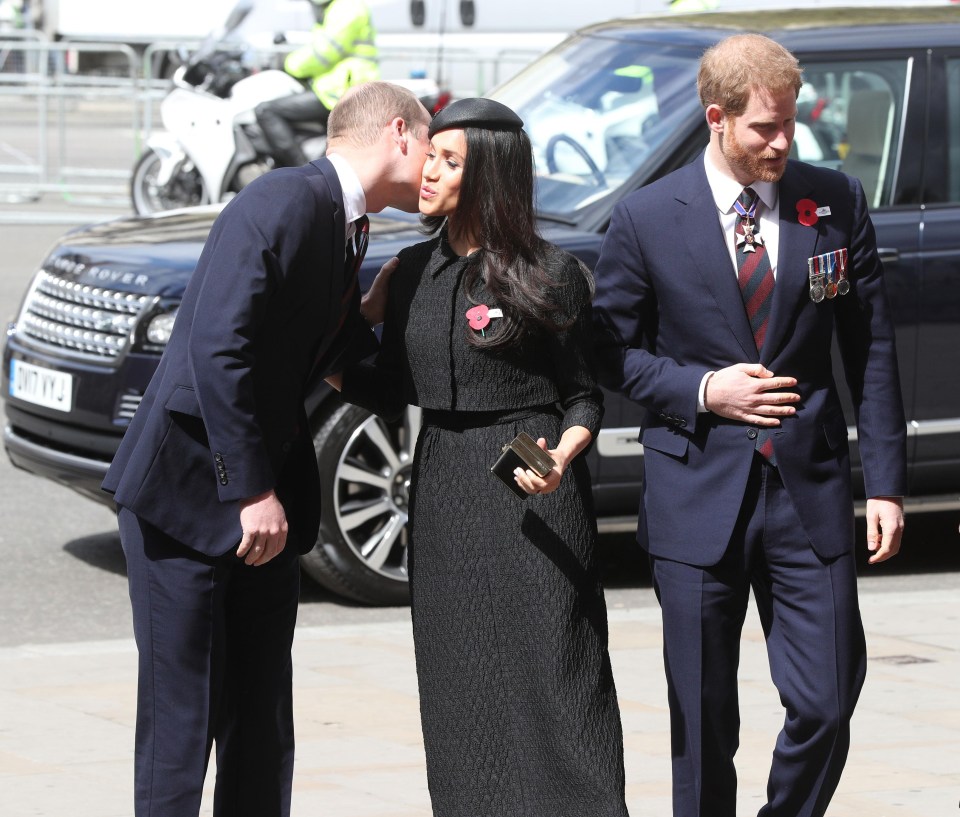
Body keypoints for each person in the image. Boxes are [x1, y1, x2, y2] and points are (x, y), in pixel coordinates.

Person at [592, 34, 906, 817]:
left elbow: (870, 352)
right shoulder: (645, 219)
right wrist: (703, 390)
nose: (782, 142)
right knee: (702, 724)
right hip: (698, 493)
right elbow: (608, 353)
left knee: (829, 700)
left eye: (790, 124)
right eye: (764, 127)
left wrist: (889, 488)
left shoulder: (834, 200)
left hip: (811, 493)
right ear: (717, 119)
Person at [101, 81, 431, 817]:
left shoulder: (348, 225)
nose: (437, 168)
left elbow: (321, 357)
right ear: (400, 134)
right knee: (181, 720)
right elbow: (220, 348)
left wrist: (373, 319)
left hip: (262, 510)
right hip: (186, 499)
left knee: (261, 720)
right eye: (433, 149)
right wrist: (249, 490)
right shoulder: (285, 199)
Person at [329, 97, 630, 817]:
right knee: (459, 675)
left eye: (449, 161)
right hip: (442, 489)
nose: (427, 170)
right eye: (430, 155)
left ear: (490, 174)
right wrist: (329, 337)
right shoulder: (406, 274)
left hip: (534, 489)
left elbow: (585, 393)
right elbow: (389, 385)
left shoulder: (550, 272)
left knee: (559, 670)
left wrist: (563, 452)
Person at [255, 0, 378, 168]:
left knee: (266, 111)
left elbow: (324, 53)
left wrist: (288, 64)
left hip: (341, 91)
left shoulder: (347, 8)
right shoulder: (339, 8)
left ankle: (303, 170)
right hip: (337, 87)